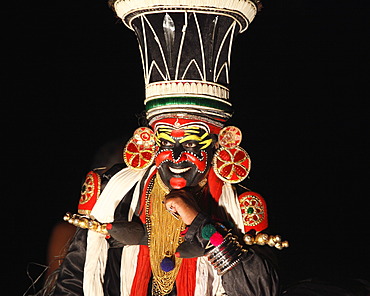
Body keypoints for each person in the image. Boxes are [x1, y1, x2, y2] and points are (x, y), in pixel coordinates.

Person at [51, 0, 288, 295]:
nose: (176, 157)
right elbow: (72, 284)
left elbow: (260, 290)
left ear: (222, 144)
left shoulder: (239, 208)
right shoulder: (112, 196)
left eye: (191, 143)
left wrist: (201, 224)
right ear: (148, 141)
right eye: (166, 142)